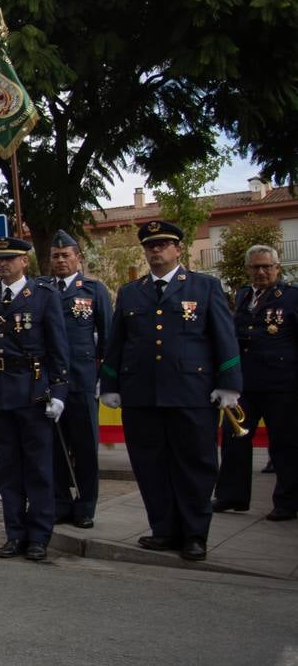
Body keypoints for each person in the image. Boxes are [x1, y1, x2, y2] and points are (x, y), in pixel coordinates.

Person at [100, 220, 242, 562]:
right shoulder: (131, 292)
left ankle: (194, 534)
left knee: (194, 465)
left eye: (163, 244)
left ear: (178, 249)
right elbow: (117, 343)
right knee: (150, 465)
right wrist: (110, 383)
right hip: (142, 395)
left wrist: (229, 384)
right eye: (151, 246)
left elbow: (224, 338)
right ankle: (163, 529)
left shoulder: (204, 287)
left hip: (191, 393)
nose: (156, 251)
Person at [0, 238, 70, 562]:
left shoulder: (43, 296)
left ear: (24, 262)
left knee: (38, 469)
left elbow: (58, 348)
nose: (3, 265)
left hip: (33, 390)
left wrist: (58, 391)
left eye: (9, 260)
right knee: (9, 470)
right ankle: (15, 534)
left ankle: (39, 536)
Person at [215, 244, 297, 522]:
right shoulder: (243, 295)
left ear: (277, 268)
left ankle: (287, 502)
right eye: (255, 267)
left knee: (284, 444)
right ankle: (232, 495)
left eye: (266, 267)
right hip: (245, 383)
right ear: (248, 269)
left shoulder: (291, 298)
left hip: (281, 384)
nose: (261, 272)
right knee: (235, 438)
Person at [42, 231, 112, 528]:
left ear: (78, 258)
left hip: (82, 380)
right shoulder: (41, 289)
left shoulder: (94, 290)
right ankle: (59, 502)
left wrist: (105, 378)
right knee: (54, 447)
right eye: (55, 256)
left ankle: (85, 505)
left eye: (65, 255)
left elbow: (108, 339)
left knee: (84, 447)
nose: (60, 261)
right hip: (49, 383)